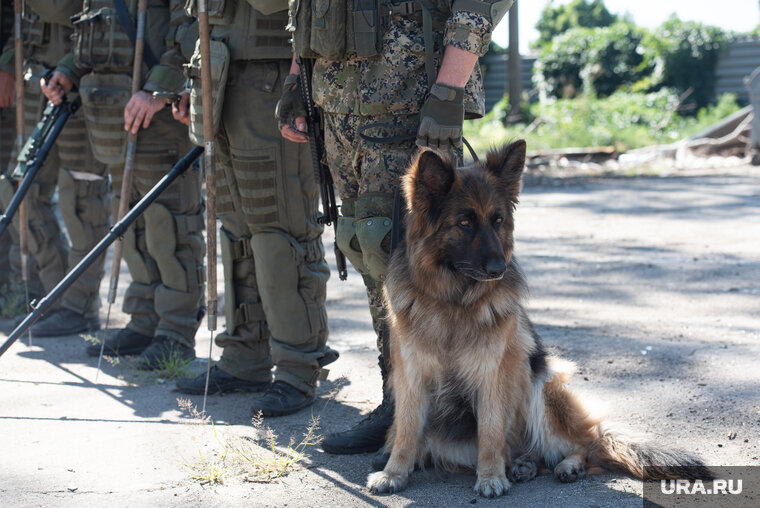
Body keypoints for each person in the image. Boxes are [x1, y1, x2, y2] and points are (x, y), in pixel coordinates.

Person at [277, 0, 515, 453]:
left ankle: (450, 406)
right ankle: (401, 400)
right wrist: (297, 77)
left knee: (408, 251)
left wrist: (449, 90)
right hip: (336, 99)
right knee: (367, 247)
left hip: (411, 99)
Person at [172, 0, 337, 416]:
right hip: (216, 71)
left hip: (273, 74)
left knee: (280, 228)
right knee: (237, 228)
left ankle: (298, 367)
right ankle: (246, 357)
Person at [42, 0, 205, 368]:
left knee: (170, 226)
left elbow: (192, 29)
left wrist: (159, 89)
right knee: (132, 225)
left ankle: (175, 330)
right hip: (115, 118)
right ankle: (145, 320)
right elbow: (92, 38)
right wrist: (67, 71)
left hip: (158, 116)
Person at [0, 0, 110, 335]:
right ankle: (54, 295)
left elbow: (61, 7)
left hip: (85, 76)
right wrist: (8, 62)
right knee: (20, 189)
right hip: (38, 75)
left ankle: (79, 307)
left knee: (81, 196)